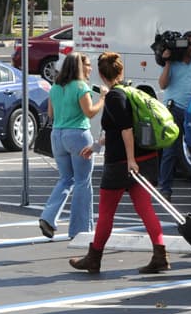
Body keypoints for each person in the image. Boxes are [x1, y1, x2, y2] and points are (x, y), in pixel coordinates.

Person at [68, 52, 167, 275]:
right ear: (121, 71)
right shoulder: (130, 91)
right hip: (146, 158)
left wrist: (130, 160)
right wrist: (97, 145)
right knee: (145, 209)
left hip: (121, 164)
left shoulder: (114, 97)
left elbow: (126, 130)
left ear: (102, 75)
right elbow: (117, 130)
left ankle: (94, 258)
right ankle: (160, 254)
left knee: (106, 212)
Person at [40, 52, 104, 241]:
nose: (90, 68)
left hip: (57, 135)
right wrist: (103, 98)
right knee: (83, 182)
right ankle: (80, 229)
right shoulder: (81, 86)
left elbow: (51, 114)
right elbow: (90, 112)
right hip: (77, 135)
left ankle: (48, 217)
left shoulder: (55, 87)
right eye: (87, 65)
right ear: (78, 66)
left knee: (66, 178)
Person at [157, 29, 191, 198]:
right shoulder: (173, 63)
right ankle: (165, 188)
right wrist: (168, 61)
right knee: (170, 150)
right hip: (172, 109)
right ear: (184, 43)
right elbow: (162, 85)